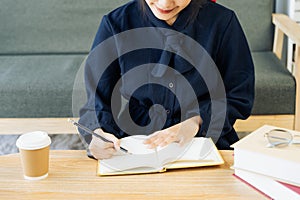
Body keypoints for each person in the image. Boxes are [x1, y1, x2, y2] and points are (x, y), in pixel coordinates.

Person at [78, 0, 255, 159]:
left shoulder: (223, 22)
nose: (165, 3)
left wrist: (196, 121)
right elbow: (96, 99)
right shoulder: (116, 24)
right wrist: (97, 134)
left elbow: (239, 95)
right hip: (137, 141)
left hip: (205, 137)